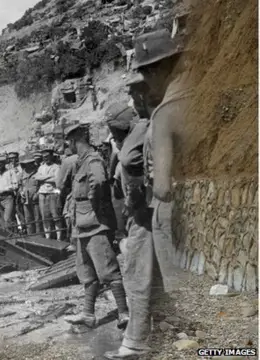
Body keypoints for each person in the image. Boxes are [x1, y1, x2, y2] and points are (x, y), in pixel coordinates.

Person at [105, 29, 188, 359]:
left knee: (144, 277)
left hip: (149, 210)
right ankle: (147, 341)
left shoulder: (152, 120)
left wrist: (136, 194)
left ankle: (142, 343)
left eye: (139, 92)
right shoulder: (153, 118)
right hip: (151, 210)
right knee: (149, 279)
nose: (137, 99)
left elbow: (131, 163)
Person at [61, 123, 129, 332]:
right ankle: (88, 315)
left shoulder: (93, 160)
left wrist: (92, 202)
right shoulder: (81, 163)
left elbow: (99, 182)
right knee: (87, 273)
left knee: (108, 271)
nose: (69, 147)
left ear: (74, 141)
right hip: (82, 226)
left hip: (95, 224)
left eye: (69, 143)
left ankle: (124, 312)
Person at [35, 147, 63, 240]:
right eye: (43, 157)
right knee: (44, 217)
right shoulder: (41, 167)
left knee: (56, 216)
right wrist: (49, 177)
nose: (45, 158)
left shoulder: (56, 167)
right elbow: (37, 178)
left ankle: (59, 238)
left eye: (47, 156)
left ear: (51, 156)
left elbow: (56, 180)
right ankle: (48, 238)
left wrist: (43, 178)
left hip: (52, 193)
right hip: (42, 193)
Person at [0, 156, 18, 231]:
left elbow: (15, 186)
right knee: (2, 220)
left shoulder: (10, 172)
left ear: (4, 164)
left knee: (8, 219)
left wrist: (5, 190)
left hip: (8, 197)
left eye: (0, 165)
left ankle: (15, 235)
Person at [18, 156, 40, 235]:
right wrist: (21, 192)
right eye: (26, 164)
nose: (28, 165)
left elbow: (41, 185)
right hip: (25, 200)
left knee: (37, 219)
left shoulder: (38, 171)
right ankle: (31, 237)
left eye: (29, 163)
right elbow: (20, 185)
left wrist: (37, 194)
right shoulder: (22, 174)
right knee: (28, 219)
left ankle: (40, 238)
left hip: (36, 199)